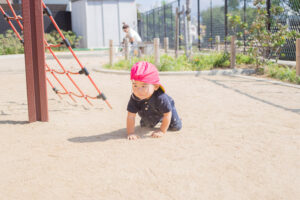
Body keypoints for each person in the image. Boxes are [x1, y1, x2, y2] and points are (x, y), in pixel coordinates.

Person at [126, 61, 182, 140]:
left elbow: (167, 114)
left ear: (155, 86)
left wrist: (161, 130)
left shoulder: (161, 98)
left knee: (175, 126)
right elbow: (131, 116)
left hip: (166, 110)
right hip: (149, 109)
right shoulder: (135, 97)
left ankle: (171, 120)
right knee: (146, 125)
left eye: (143, 86)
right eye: (135, 85)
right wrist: (131, 133)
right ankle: (155, 119)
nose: (138, 90)